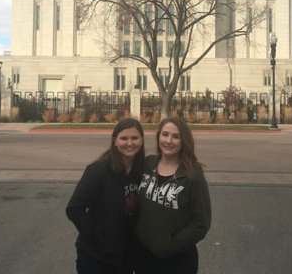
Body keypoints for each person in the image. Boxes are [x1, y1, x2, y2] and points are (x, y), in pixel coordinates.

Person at [66, 118, 145, 274]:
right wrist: (98, 235)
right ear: (115, 141)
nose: (130, 143)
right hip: (96, 258)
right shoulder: (99, 170)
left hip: (126, 257)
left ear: (142, 140)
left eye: (135, 138)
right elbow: (74, 209)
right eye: (124, 138)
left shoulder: (142, 170)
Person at [135, 117, 211, 274]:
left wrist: (170, 246)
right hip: (143, 255)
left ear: (184, 141)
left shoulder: (192, 175)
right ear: (158, 137)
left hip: (177, 260)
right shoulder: (148, 164)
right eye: (165, 134)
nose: (168, 140)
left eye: (176, 136)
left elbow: (201, 223)